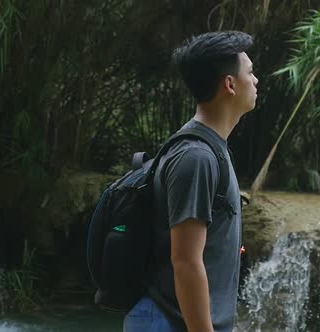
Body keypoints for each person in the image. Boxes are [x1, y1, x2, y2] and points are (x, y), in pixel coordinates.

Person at [123, 31, 258, 332]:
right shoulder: (196, 157)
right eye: (250, 72)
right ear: (230, 84)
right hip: (167, 322)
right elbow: (184, 260)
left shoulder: (213, 148)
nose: (256, 80)